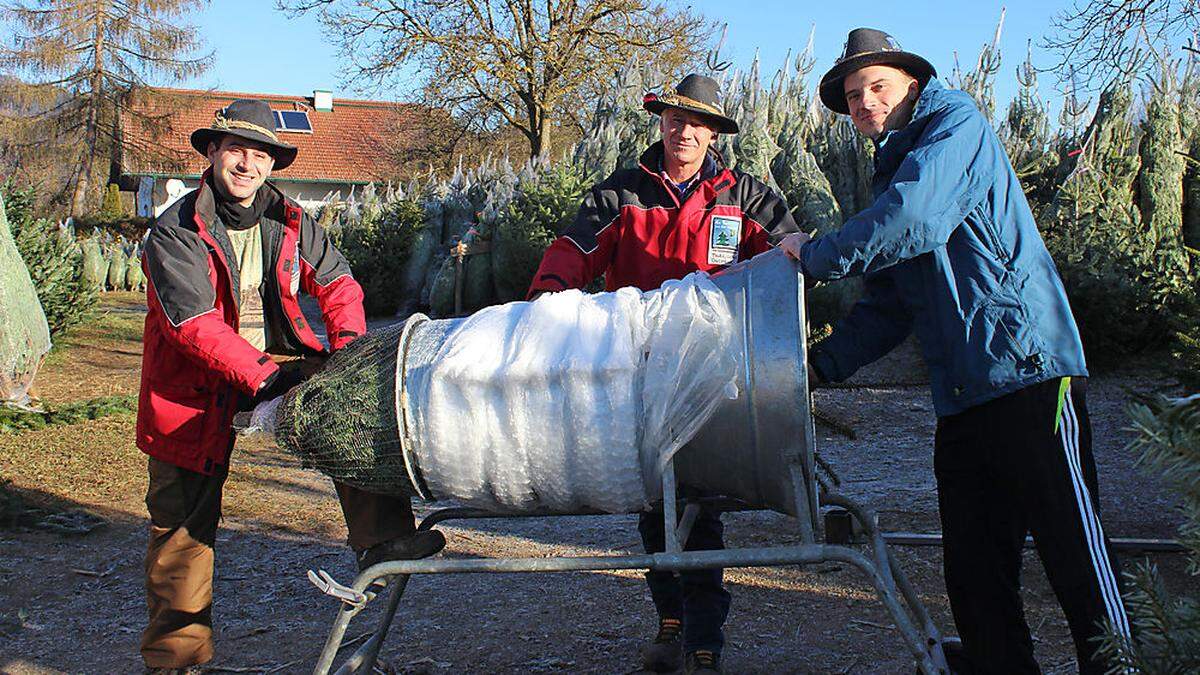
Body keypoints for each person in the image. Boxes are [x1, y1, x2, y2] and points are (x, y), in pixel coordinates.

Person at [779, 28, 1130, 674]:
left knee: (1076, 560)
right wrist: (813, 368)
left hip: (1028, 374)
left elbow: (916, 218)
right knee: (974, 579)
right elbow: (889, 302)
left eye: (876, 86)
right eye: (854, 96)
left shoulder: (954, 127)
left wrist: (815, 255)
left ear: (910, 81)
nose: (865, 104)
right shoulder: (896, 166)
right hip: (964, 401)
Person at [136, 99, 444, 673]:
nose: (247, 164)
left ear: (273, 164)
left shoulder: (294, 220)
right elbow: (195, 327)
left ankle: (384, 536)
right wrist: (268, 379)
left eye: (260, 154)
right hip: (192, 389)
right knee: (182, 529)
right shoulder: (174, 231)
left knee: (351, 407)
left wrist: (349, 350)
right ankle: (177, 662)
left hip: (274, 359)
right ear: (212, 153)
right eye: (235, 150)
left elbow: (340, 284)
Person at [527, 74, 799, 675]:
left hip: (713, 370)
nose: (684, 130)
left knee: (699, 499)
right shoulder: (620, 194)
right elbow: (572, 251)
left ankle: (704, 639)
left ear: (714, 133)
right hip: (638, 366)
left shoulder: (745, 196)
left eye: (697, 122)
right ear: (661, 123)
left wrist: (811, 266)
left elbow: (791, 252)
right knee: (652, 499)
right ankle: (669, 618)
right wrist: (547, 302)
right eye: (675, 118)